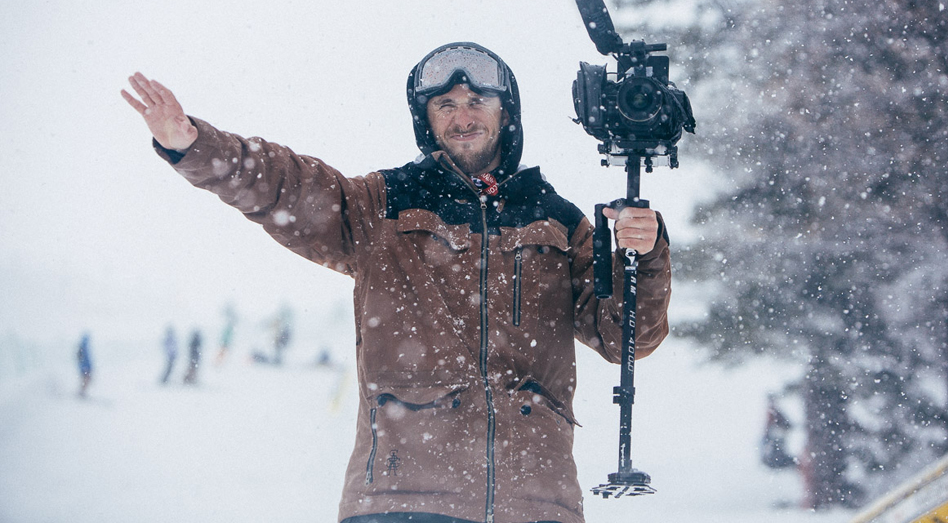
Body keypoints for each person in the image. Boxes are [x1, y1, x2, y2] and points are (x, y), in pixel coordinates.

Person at [121, 42, 671, 523]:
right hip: (400, 499)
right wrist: (193, 143)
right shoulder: (379, 207)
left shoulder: (560, 222)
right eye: (446, 105)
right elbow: (284, 187)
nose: (463, 117)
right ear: (426, 119)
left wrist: (643, 255)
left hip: (537, 505)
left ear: (506, 114)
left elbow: (628, 338)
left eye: (478, 102)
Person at [76, 333, 93, 398]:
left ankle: (82, 392)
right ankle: (81, 392)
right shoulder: (83, 348)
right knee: (86, 380)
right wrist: (84, 367)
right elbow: (81, 358)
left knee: (86, 380)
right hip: (85, 367)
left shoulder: (83, 347)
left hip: (86, 367)